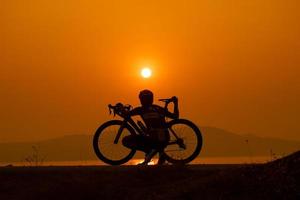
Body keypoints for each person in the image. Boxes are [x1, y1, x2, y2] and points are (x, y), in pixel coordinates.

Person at [122, 89, 179, 165]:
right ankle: (159, 153)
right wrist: (176, 103)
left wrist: (120, 108)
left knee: (125, 140)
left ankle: (149, 152)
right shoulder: (158, 108)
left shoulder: (141, 109)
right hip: (165, 138)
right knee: (153, 134)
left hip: (154, 139)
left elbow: (127, 114)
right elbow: (175, 116)